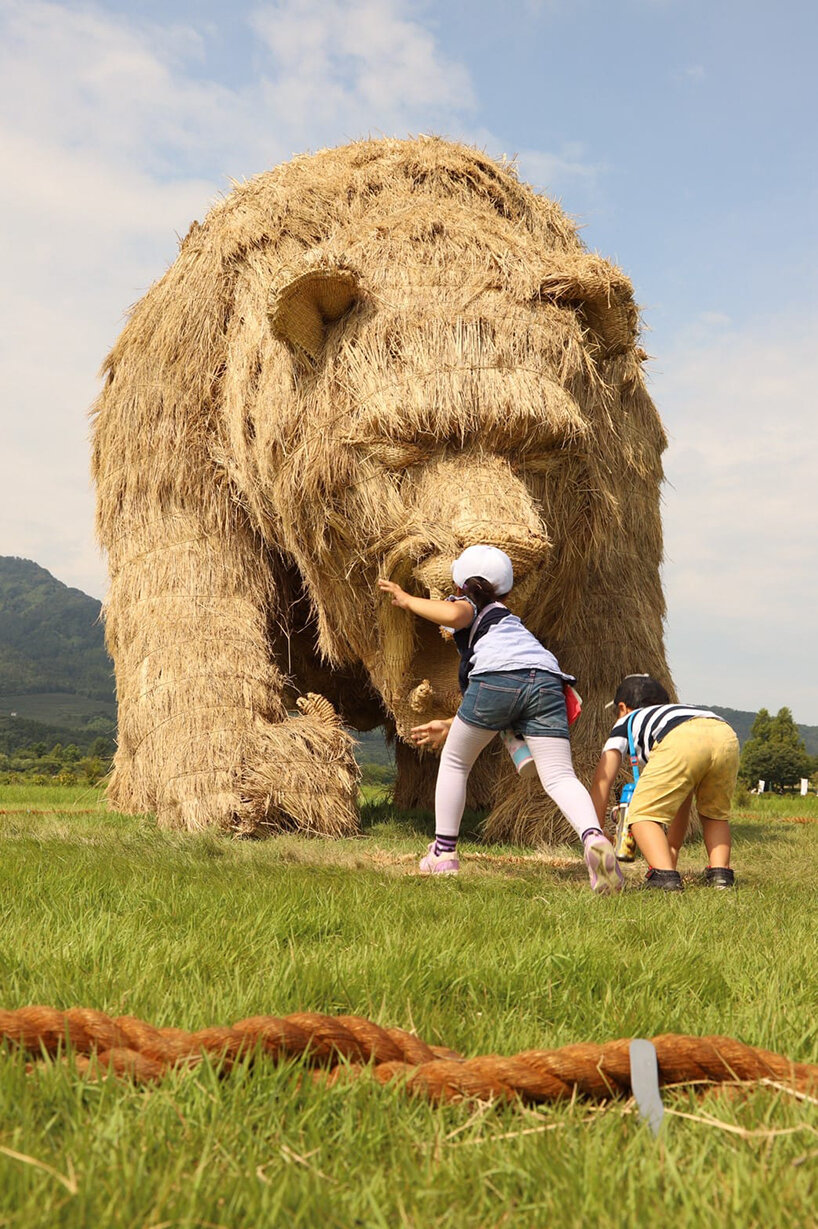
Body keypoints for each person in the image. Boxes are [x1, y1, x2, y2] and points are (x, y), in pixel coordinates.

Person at [377, 544, 622, 894]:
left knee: (456, 762)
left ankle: (443, 854)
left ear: (462, 584)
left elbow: (456, 620)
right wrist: (451, 725)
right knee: (559, 776)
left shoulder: (472, 606)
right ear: (505, 589)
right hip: (548, 681)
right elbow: (508, 693)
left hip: (497, 681)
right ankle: (594, 837)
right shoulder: (509, 622)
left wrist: (407, 600)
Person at [590, 674, 740, 891]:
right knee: (714, 814)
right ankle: (721, 876)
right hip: (724, 734)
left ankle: (663, 878)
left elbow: (602, 781)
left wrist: (595, 833)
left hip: (681, 738)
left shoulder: (626, 721)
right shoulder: (676, 713)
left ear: (622, 707)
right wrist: (671, 849)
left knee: (641, 814)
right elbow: (683, 800)